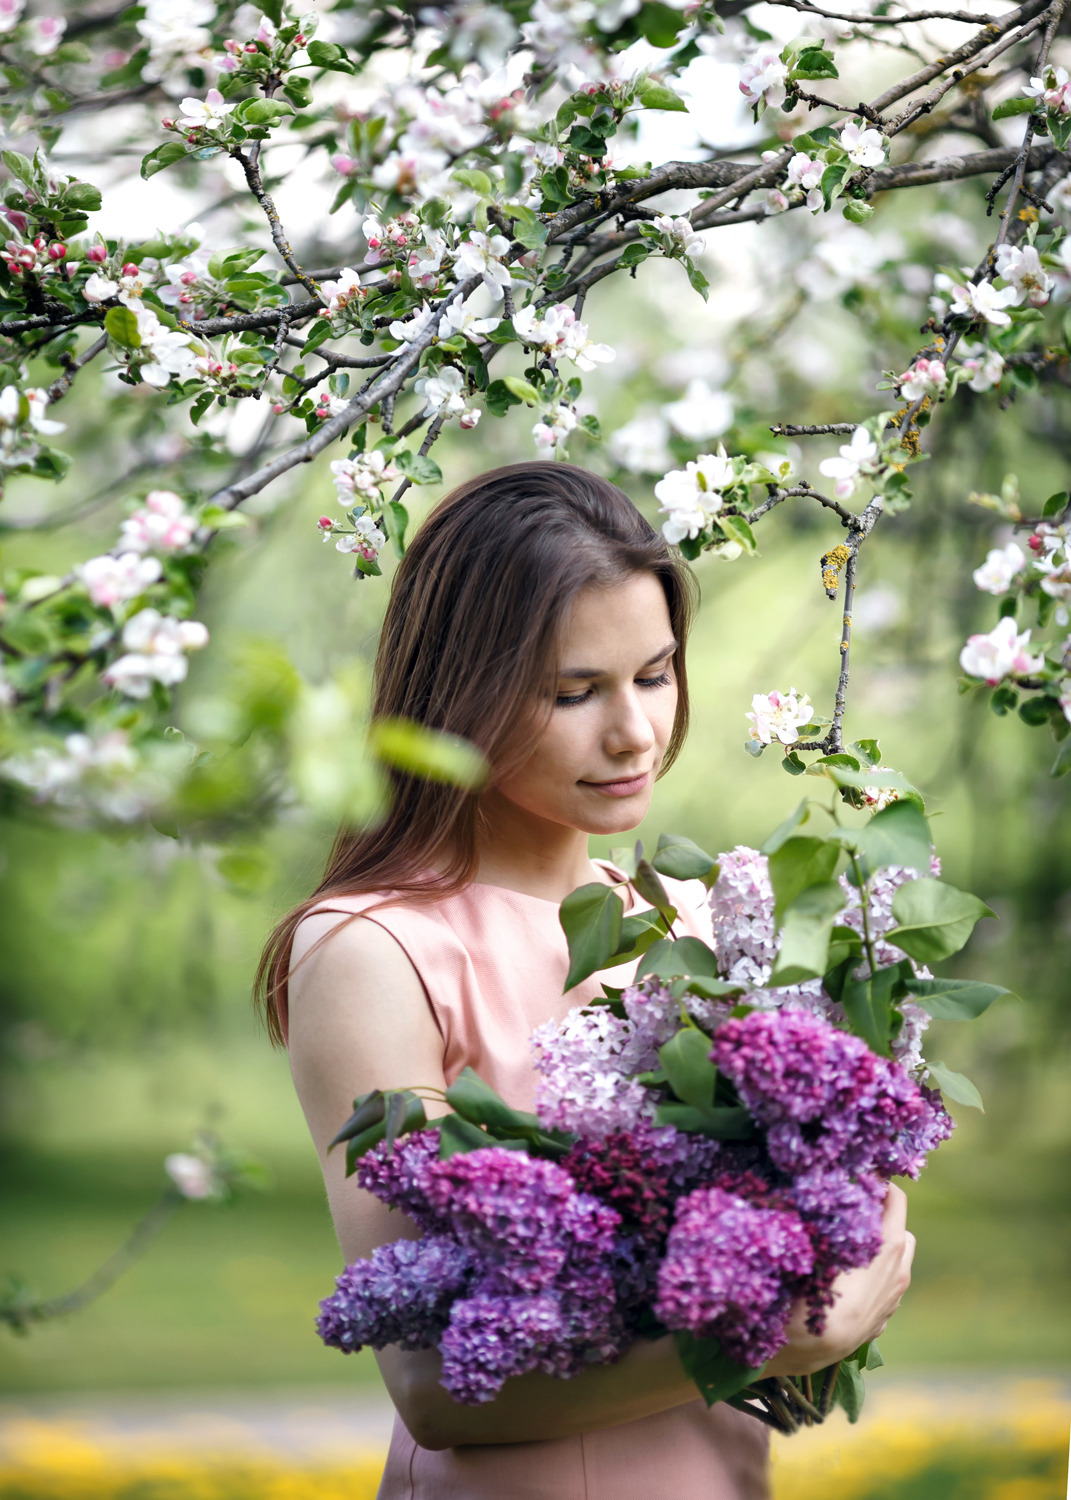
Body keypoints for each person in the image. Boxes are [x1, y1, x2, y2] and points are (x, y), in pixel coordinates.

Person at [258, 462, 915, 1500]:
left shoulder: (693, 926)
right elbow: (432, 1387)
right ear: (460, 691)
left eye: (654, 676)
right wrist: (763, 1346)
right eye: (575, 692)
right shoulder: (373, 950)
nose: (634, 733)